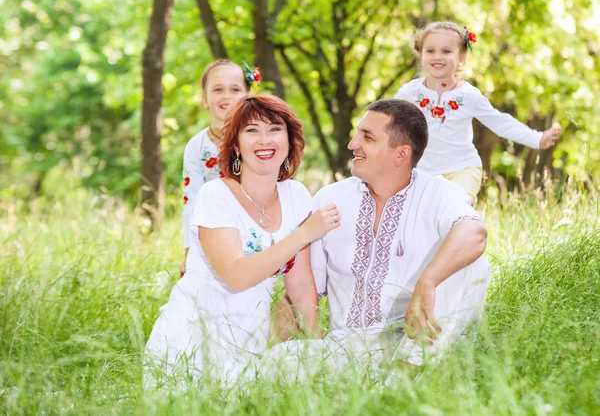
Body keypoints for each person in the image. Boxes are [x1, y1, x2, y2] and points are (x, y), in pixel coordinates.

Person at [258, 99, 491, 380]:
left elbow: (474, 233)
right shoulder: (331, 199)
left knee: (471, 266)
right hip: (346, 348)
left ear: (401, 154)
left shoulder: (438, 194)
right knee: (274, 363)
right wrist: (255, 352)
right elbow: (301, 294)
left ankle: (399, 386)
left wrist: (427, 281)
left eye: (367, 137)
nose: (352, 143)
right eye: (358, 133)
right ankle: (372, 391)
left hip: (415, 343)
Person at [145, 95, 340, 386]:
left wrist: (318, 348)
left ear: (290, 141)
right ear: (236, 145)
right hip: (193, 337)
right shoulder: (215, 196)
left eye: (275, 129)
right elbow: (236, 276)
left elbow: (300, 283)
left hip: (250, 337)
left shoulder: (296, 195)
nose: (265, 140)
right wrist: (304, 233)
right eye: (252, 131)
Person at [395, 21, 561, 203]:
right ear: (420, 55)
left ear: (461, 58)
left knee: (456, 206)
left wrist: (537, 138)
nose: (438, 56)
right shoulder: (409, 93)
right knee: (426, 218)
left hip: (463, 168)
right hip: (425, 172)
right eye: (430, 51)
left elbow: (499, 121)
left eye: (446, 51)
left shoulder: (468, 95)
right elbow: (385, 121)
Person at [181, 59, 258, 277]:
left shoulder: (259, 140)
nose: (227, 96)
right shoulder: (197, 146)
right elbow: (191, 200)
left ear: (248, 97)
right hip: (212, 232)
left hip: (254, 230)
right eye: (218, 90)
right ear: (204, 99)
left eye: (235, 89)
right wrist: (189, 250)